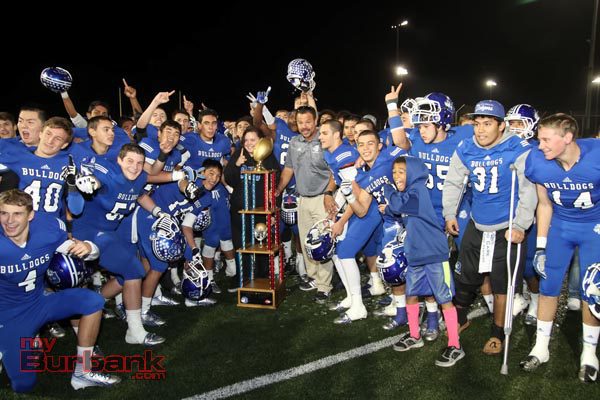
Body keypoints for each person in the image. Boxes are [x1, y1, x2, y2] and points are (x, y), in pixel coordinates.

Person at [0, 189, 120, 391]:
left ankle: (83, 372)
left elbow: (83, 251)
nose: (9, 221)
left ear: (30, 215)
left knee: (93, 301)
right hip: (9, 316)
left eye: (17, 214)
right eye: (4, 213)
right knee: (24, 385)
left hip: (40, 301)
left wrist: (89, 248)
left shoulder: (47, 231)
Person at [443, 100, 537, 355]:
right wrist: (449, 213)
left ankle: (497, 333)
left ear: (501, 126)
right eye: (477, 124)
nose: (480, 130)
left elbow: (528, 190)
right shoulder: (466, 147)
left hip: (507, 226)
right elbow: (453, 182)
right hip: (477, 222)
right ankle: (460, 318)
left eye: (487, 124)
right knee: (465, 276)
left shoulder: (517, 147)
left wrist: (521, 225)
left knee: (502, 284)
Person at [520, 113, 600, 383]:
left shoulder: (596, 155)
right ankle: (541, 348)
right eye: (539, 139)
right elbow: (544, 205)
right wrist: (541, 246)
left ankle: (589, 354)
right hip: (560, 227)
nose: (540, 145)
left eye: (545, 139)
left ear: (567, 137)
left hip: (594, 228)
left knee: (592, 290)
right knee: (549, 285)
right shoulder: (538, 162)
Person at [71, 143, 167, 345]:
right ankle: (130, 331)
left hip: (107, 233)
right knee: (131, 270)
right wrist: (91, 182)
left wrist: (158, 212)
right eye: (130, 161)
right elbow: (99, 181)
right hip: (85, 234)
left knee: (131, 273)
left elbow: (139, 194)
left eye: (139, 162)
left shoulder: (139, 177)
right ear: (119, 160)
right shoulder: (110, 174)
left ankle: (103, 303)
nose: (135, 166)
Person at [382, 156, 464, 367]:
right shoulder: (408, 194)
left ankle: (455, 345)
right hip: (416, 254)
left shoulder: (418, 189)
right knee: (411, 294)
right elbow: (398, 210)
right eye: (394, 172)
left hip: (434, 253)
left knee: (444, 298)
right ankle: (414, 335)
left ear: (414, 172)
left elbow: (398, 205)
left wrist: (387, 190)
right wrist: (388, 208)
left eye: (401, 171)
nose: (396, 176)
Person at [320, 120, 381, 323]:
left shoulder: (345, 155)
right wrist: (334, 210)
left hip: (368, 207)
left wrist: (340, 220)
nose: (320, 137)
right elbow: (344, 188)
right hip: (358, 204)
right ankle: (352, 298)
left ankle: (359, 306)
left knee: (344, 252)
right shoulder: (332, 153)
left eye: (324, 133)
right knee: (339, 251)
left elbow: (357, 195)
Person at [275, 106, 335, 303]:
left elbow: (334, 171)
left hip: (322, 199)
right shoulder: (294, 142)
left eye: (308, 122)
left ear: (315, 121)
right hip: (302, 198)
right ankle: (314, 277)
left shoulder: (324, 140)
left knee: (322, 242)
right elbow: (288, 169)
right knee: (306, 242)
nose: (304, 126)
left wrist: (328, 193)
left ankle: (325, 286)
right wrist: (278, 189)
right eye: (300, 122)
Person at [224, 126, 279, 284]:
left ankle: (262, 277)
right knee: (241, 244)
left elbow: (274, 183)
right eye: (246, 140)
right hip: (240, 209)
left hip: (260, 210)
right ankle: (243, 276)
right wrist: (236, 165)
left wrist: (272, 211)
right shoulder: (239, 154)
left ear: (260, 141)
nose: (249, 143)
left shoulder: (267, 156)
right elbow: (229, 180)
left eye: (253, 140)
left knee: (261, 243)